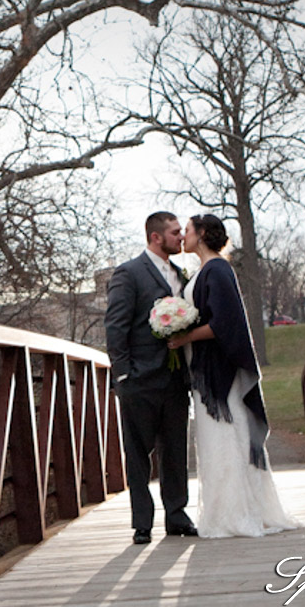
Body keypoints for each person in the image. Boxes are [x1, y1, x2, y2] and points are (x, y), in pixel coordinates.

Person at [167, 215, 299, 538]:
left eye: (187, 230)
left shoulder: (218, 270)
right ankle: (224, 512)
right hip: (205, 374)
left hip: (218, 375)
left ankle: (238, 514)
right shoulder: (204, 271)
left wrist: (185, 338)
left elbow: (223, 325)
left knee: (227, 438)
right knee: (216, 441)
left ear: (201, 234)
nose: (183, 235)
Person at [104, 211, 199, 545]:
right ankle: (142, 523)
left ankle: (177, 516)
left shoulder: (179, 273)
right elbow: (115, 326)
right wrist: (124, 374)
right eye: (175, 233)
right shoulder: (128, 273)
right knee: (137, 453)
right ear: (156, 237)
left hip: (175, 379)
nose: (180, 238)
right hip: (140, 379)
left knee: (175, 450)